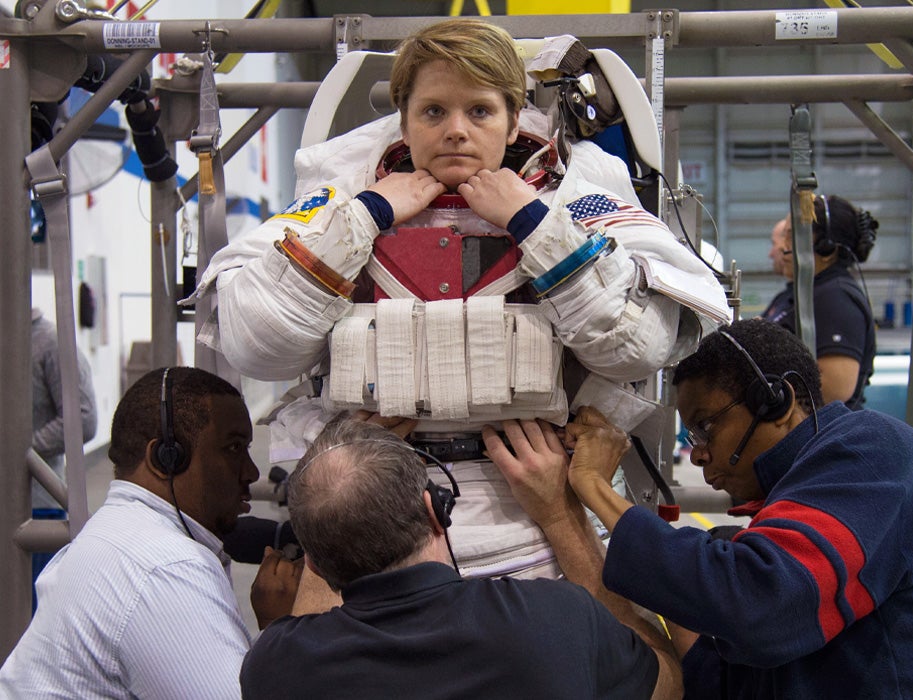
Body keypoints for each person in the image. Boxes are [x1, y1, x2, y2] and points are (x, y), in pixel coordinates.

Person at [187, 18, 727, 579]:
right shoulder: (341, 196)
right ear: (404, 120)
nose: (456, 131)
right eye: (433, 112)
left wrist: (534, 224)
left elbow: (636, 347)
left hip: (535, 516)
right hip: (371, 519)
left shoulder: (573, 195)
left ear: (515, 118)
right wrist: (366, 217)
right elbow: (258, 345)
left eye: (480, 111)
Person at [558, 319, 913, 698]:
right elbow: (726, 673)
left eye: (706, 427)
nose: (699, 454)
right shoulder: (795, 490)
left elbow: (760, 605)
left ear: (778, 402)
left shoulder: (874, 454)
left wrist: (596, 487)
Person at [241, 415, 680, 699]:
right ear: (437, 510)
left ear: (313, 562)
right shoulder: (556, 619)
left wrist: (334, 475)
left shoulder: (276, 667)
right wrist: (562, 517)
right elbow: (667, 682)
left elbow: (308, 621)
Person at [0, 366, 301, 699]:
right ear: (165, 459)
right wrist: (280, 631)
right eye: (233, 449)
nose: (251, 471)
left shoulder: (117, 530)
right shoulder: (164, 567)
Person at [761, 194, 878, 408]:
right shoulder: (803, 293)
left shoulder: (836, 298)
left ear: (826, 248)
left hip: (818, 436)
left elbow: (835, 389)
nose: (782, 248)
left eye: (790, 237)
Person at [29, 306, 98, 608]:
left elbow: (82, 419)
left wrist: (18, 452)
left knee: (29, 622)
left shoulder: (50, 343)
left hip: (37, 509)